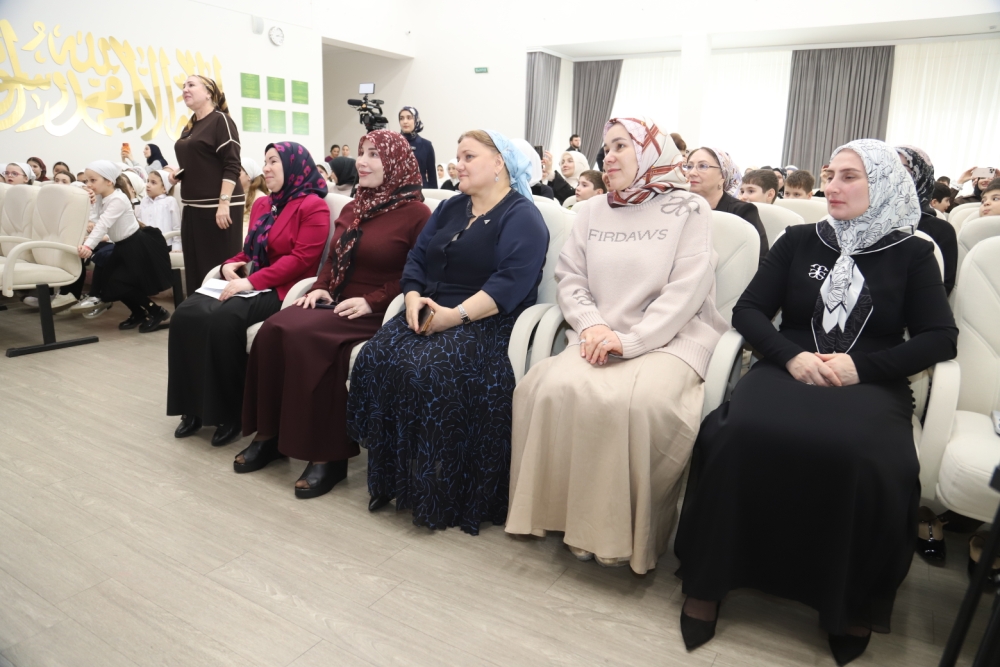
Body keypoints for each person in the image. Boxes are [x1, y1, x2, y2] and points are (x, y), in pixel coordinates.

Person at [673, 139, 958, 665]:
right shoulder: (800, 240)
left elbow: (940, 338)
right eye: (830, 175)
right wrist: (791, 357)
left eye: (850, 176)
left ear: (883, 185)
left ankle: (849, 599)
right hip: (790, 363)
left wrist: (860, 368)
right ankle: (710, 579)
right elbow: (750, 310)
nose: (832, 186)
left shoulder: (913, 253)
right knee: (736, 434)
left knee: (867, 457)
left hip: (870, 376)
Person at [506, 116, 727, 573]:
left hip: (670, 338)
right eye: (606, 148)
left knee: (639, 404)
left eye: (621, 146)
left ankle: (621, 536)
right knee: (543, 389)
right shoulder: (592, 210)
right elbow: (570, 278)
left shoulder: (689, 208)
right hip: (598, 336)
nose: (609, 157)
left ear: (650, 152)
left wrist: (630, 341)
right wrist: (590, 327)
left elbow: (687, 290)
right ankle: (567, 520)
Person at [347, 129, 548, 533]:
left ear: (499, 164)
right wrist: (411, 297)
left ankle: (438, 489)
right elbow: (417, 259)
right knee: (375, 356)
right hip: (429, 308)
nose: (459, 164)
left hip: (486, 320)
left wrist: (453, 316)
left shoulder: (522, 217)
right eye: (458, 156)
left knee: (425, 370)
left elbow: (509, 284)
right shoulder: (452, 206)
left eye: (469, 156)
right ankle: (393, 477)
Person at [238, 130, 431, 498]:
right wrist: (321, 286)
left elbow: (419, 274)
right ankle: (269, 434)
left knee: (312, 340)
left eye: (373, 154)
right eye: (361, 152)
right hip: (337, 301)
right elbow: (332, 258)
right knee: (274, 327)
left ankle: (329, 456)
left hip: (377, 308)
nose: (362, 161)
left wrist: (372, 301)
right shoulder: (353, 207)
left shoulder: (417, 214)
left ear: (395, 163)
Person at [167, 142, 330, 447]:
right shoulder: (264, 204)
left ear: (294, 166)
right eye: (265, 161)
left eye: (274, 161)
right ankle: (192, 406)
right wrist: (229, 264)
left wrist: (252, 281)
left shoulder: (313, 206)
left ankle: (231, 414)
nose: (266, 168)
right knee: (186, 314)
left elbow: (301, 260)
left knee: (224, 320)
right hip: (253, 283)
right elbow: (249, 250)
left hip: (283, 289)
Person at [77, 161, 173, 331]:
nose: (89, 184)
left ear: (109, 181)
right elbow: (94, 218)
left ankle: (156, 311)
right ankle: (138, 312)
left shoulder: (118, 199)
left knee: (120, 283)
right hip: (121, 246)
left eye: (93, 180)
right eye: (87, 181)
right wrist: (89, 200)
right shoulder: (101, 197)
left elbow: (103, 224)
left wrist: (88, 246)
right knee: (111, 285)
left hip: (136, 246)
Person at [171, 75, 244, 297]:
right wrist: (178, 173)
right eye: (183, 86)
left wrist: (224, 204)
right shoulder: (191, 126)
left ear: (209, 93)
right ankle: (198, 313)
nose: (185, 89)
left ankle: (223, 314)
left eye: (191, 85)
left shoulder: (221, 121)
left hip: (218, 208)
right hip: (193, 208)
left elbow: (232, 165)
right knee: (196, 270)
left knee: (218, 270)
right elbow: (201, 162)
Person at [684, 148, 768, 264]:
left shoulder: (743, 212)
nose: (692, 173)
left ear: (723, 175)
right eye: (689, 166)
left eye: (703, 166)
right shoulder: (679, 208)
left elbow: (760, 260)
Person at [896, 145, 958, 295]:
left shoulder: (942, 230)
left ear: (922, 176)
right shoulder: (864, 223)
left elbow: (943, 287)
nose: (893, 175)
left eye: (903, 170)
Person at [137, 170, 182, 252]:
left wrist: (177, 246)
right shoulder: (144, 201)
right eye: (148, 181)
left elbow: (176, 226)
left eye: (153, 182)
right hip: (146, 244)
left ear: (164, 188)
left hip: (166, 245)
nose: (148, 185)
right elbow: (140, 221)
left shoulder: (170, 201)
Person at [399, 106, 437, 188]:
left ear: (416, 120)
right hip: (399, 191)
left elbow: (432, 177)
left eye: (409, 118)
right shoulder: (394, 144)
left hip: (422, 190)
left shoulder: (426, 145)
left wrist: (433, 193)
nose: (405, 121)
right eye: (401, 118)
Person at [239, 156, 269, 228]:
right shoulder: (236, 196)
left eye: (238, 172)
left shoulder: (261, 198)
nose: (233, 176)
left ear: (249, 176)